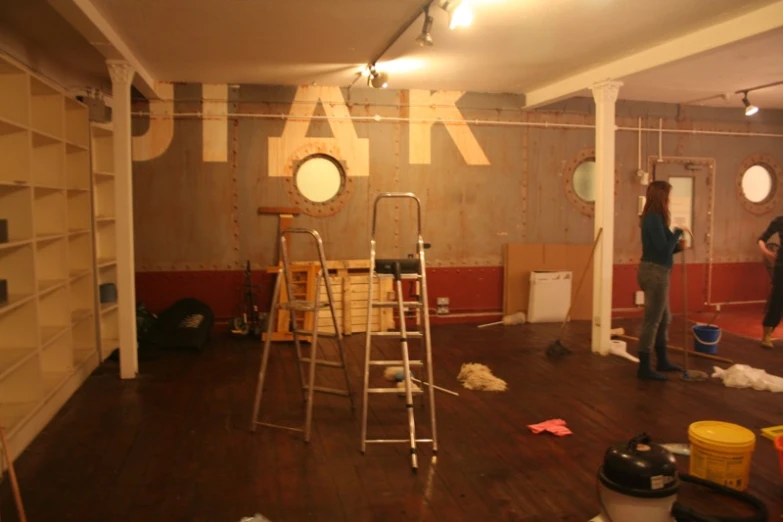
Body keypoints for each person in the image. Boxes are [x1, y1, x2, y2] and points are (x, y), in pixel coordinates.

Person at [637, 180, 688, 380]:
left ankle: (663, 360)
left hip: (659, 271)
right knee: (653, 320)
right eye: (668, 196)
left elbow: (668, 248)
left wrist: (679, 245)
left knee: (664, 318)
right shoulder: (652, 219)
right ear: (661, 197)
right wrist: (677, 233)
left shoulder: (657, 218)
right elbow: (662, 249)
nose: (670, 200)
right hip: (654, 273)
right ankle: (644, 367)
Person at [757, 216, 783, 348]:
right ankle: (767, 333)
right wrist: (766, 252)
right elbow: (762, 239)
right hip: (781, 267)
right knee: (777, 301)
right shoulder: (780, 221)